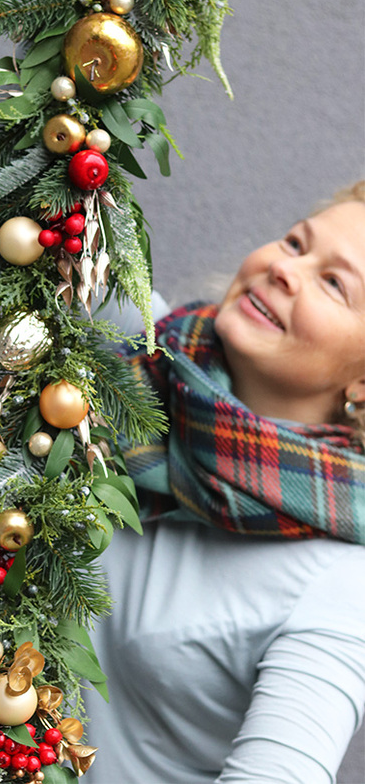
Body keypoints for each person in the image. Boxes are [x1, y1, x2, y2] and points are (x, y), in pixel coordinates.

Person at [84, 183, 365, 784]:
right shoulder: (145, 363)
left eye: (334, 283)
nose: (286, 269)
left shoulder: (342, 587)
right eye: (296, 243)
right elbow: (58, 200)